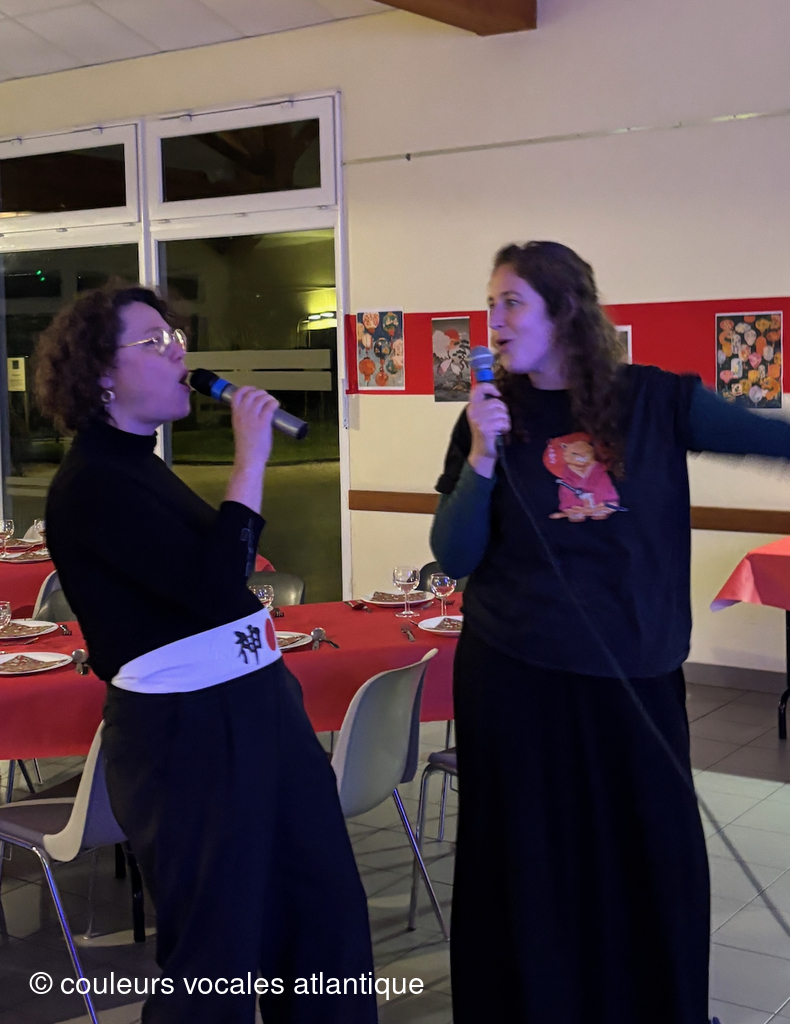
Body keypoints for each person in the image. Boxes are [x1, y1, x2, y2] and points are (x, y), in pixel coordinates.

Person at [431, 240, 789, 1024]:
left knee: (647, 854)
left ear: (564, 309)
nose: (494, 320)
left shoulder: (654, 400)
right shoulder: (487, 418)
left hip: (633, 675)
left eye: (512, 302)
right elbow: (454, 555)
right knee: (532, 862)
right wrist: (483, 454)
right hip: (514, 676)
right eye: (490, 304)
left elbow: (772, 439)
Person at [35, 285, 378, 1024]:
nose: (178, 354)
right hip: (187, 731)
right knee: (217, 950)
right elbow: (216, 585)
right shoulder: (89, 485)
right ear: (101, 372)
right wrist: (250, 459)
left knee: (322, 912)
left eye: (178, 338)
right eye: (155, 342)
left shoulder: (140, 465)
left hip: (257, 705)